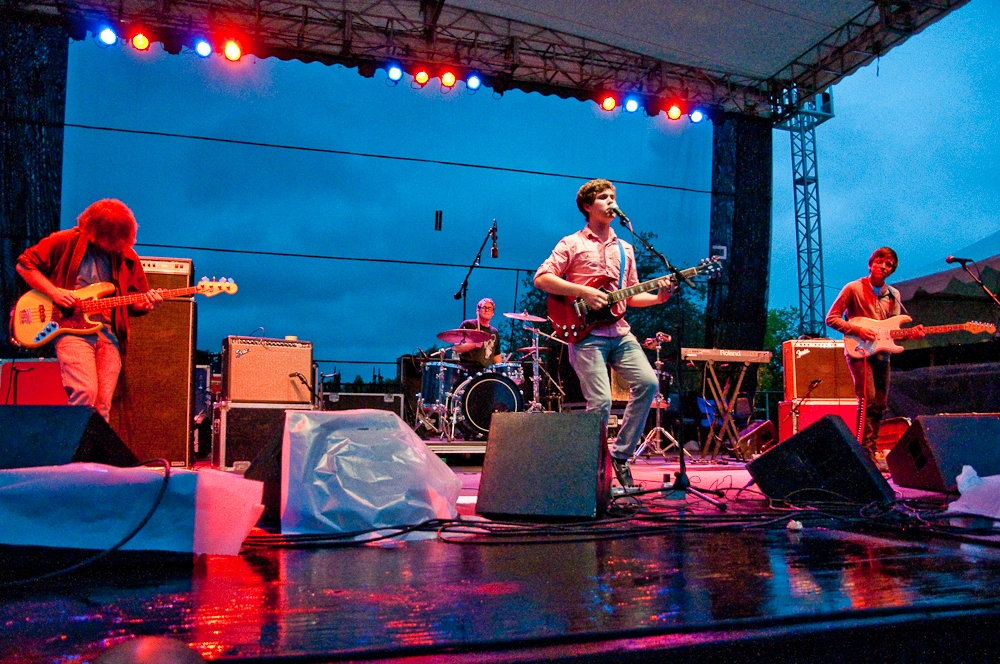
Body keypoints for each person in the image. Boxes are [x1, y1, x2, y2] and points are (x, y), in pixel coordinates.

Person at [534, 179, 673, 488]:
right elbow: (542, 278)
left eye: (614, 197)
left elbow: (629, 295)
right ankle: (593, 471)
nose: (611, 201)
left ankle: (620, 456)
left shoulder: (626, 248)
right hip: (586, 334)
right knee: (601, 402)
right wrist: (584, 290)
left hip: (620, 332)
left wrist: (659, 297)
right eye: (604, 197)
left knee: (649, 384)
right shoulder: (571, 243)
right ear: (588, 206)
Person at [16, 199, 163, 420]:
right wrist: (55, 292)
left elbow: (134, 302)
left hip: (108, 334)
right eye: (111, 238)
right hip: (69, 328)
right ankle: (73, 453)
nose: (117, 244)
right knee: (85, 392)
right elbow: (24, 265)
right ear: (95, 231)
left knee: (102, 403)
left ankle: (91, 455)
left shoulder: (127, 256)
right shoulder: (64, 241)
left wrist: (147, 303)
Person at [825, 247, 924, 464]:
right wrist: (858, 330)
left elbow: (893, 332)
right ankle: (863, 455)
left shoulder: (894, 295)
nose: (883, 267)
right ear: (871, 264)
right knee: (867, 399)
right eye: (880, 262)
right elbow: (831, 318)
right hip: (860, 351)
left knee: (880, 403)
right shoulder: (853, 288)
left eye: (888, 265)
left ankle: (869, 451)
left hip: (883, 355)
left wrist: (911, 335)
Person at [453, 297, 502, 370]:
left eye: (490, 308)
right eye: (484, 307)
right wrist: (474, 344)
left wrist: (500, 370)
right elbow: (456, 348)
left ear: (493, 313)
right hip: (468, 369)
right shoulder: (468, 325)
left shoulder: (494, 332)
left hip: (487, 373)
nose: (487, 310)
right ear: (477, 310)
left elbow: (496, 355)